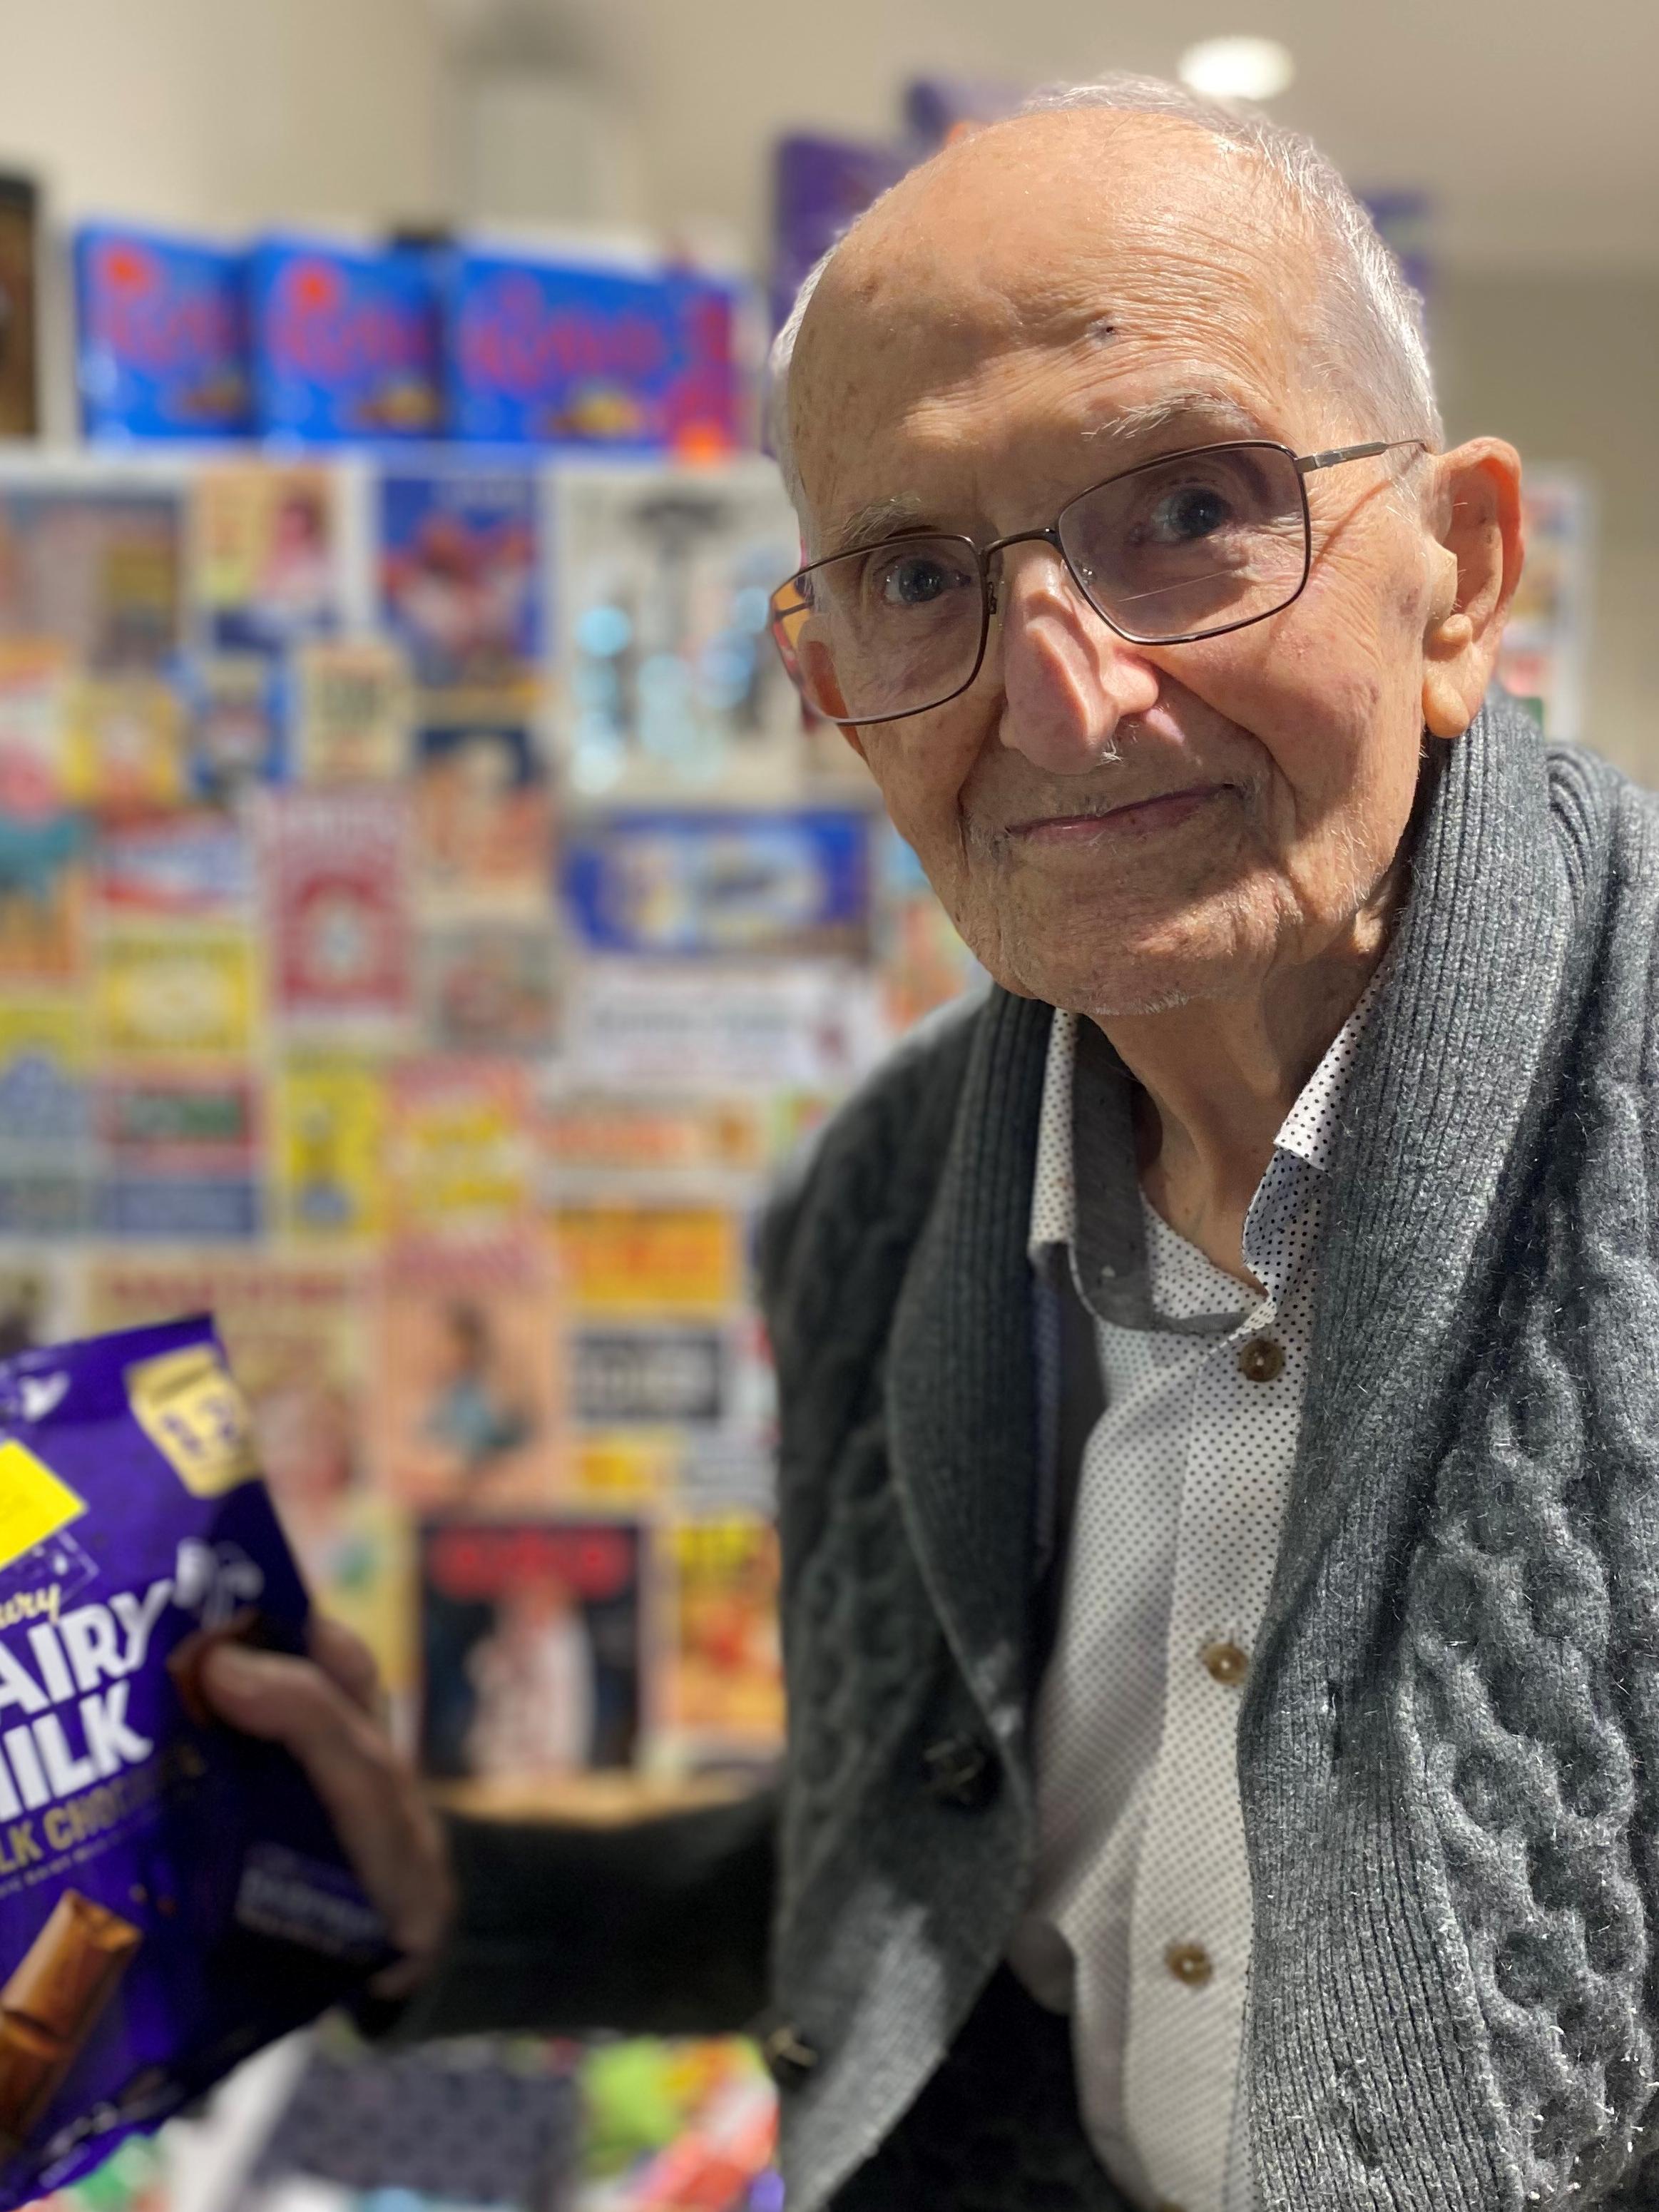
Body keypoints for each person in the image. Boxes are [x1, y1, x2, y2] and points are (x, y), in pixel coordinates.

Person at [200, 74, 1659, 2212]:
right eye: (912, 573)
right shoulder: (888, 1209)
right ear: (825, 679)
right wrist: (451, 1896)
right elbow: (937, 1876)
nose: (1062, 705)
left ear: (1462, 581)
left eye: (1187, 509)